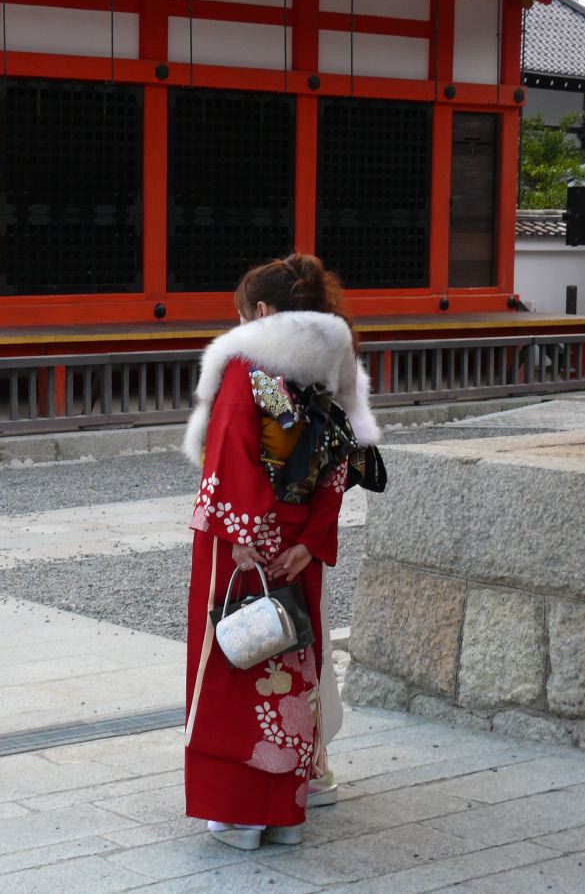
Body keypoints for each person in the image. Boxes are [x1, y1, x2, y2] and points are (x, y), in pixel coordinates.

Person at [181, 254, 380, 851]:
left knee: (235, 663)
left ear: (263, 312)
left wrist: (242, 532)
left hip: (244, 543)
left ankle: (239, 814)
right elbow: (340, 463)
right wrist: (311, 540)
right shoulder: (331, 368)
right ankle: (289, 806)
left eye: (242, 312)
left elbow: (233, 449)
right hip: (298, 542)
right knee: (292, 656)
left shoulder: (248, 365)